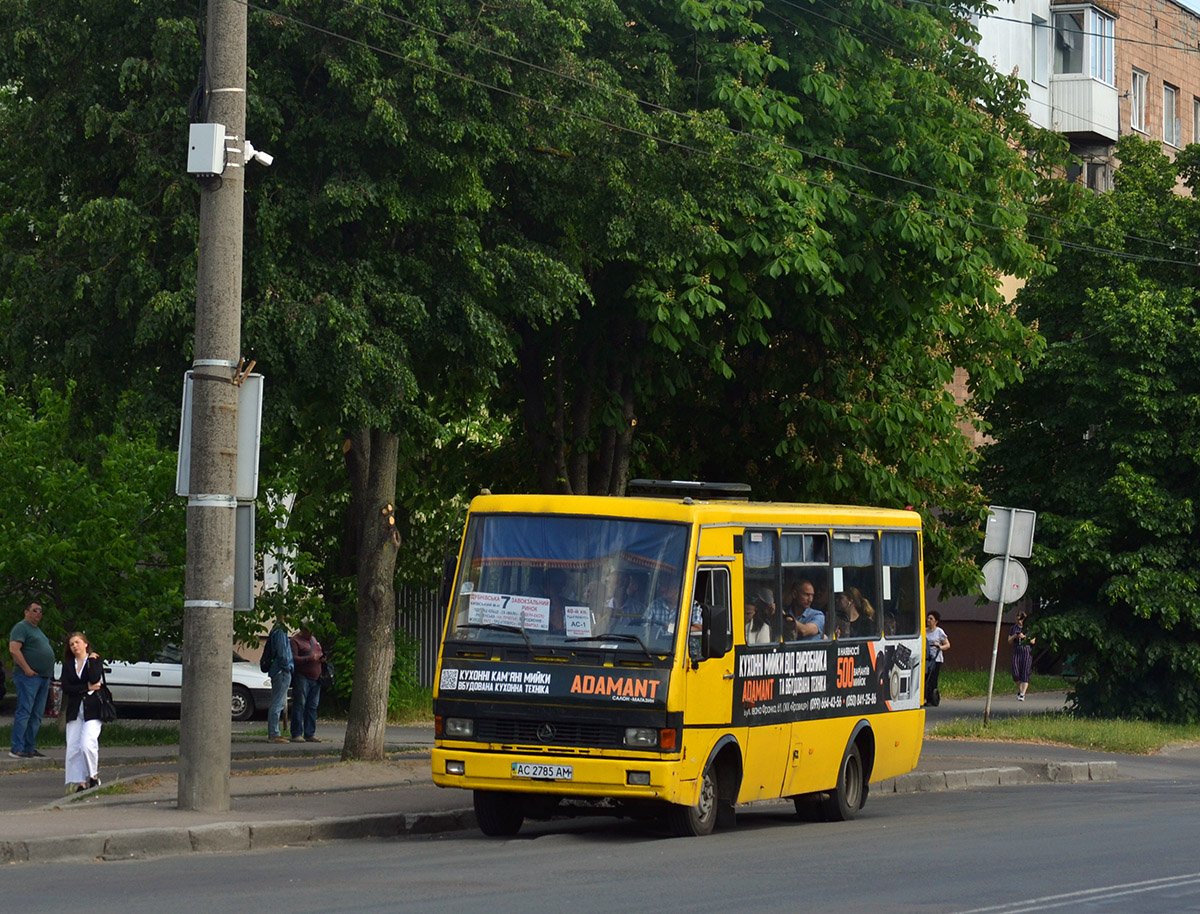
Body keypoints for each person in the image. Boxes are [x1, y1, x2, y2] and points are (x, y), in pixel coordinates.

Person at [8, 602, 55, 759]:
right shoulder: (22, 627)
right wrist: (27, 669)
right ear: (26, 612)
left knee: (37, 714)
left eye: (40, 611)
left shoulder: (38, 631)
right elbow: (14, 649)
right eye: (35, 610)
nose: (38, 613)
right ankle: (17, 747)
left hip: (43, 677)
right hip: (28, 677)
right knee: (25, 711)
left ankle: (29, 747)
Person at [60, 632, 103, 792]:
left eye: (77, 642)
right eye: (71, 644)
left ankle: (93, 776)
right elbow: (66, 688)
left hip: (92, 709)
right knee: (73, 747)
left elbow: (94, 679)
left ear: (85, 643)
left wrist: (91, 660)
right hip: (75, 711)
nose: (75, 646)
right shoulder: (68, 665)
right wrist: (85, 688)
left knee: (87, 744)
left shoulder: (94, 660)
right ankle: (80, 782)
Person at [289, 627, 325, 743]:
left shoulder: (313, 640)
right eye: (309, 632)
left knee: (312, 706)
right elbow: (293, 659)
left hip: (316, 678)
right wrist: (309, 658)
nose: (311, 634)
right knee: (300, 705)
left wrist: (321, 659)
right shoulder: (295, 641)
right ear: (303, 630)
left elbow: (319, 652)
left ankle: (310, 733)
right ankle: (296, 733)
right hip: (303, 677)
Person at [265, 616, 294, 743]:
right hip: (281, 671)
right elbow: (283, 654)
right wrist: (288, 667)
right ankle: (274, 733)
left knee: (278, 702)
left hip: (278, 670)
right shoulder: (280, 632)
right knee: (278, 702)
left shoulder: (275, 630)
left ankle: (274, 732)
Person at [783, 577, 824, 642]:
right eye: (806, 595)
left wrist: (787, 619)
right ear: (794, 594)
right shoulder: (786, 612)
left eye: (812, 595)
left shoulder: (818, 615)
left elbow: (804, 631)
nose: (810, 600)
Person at [925, 610, 950, 706]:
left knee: (932, 678)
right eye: (928, 618)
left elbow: (947, 645)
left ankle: (932, 698)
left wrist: (939, 646)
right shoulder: (924, 630)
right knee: (926, 677)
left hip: (936, 658)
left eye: (931, 619)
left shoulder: (939, 632)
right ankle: (925, 696)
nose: (928, 620)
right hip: (926, 657)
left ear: (936, 621)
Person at [1009, 611, 1035, 701]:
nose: (1019, 621)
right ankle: (1021, 691)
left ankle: (1022, 694)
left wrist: (1024, 637)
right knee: (1015, 673)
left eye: (1021, 619)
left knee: (1025, 672)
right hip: (1017, 651)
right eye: (1018, 619)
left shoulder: (1029, 628)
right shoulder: (1013, 628)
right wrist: (1014, 637)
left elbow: (1033, 641)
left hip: (1026, 651)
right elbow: (1009, 641)